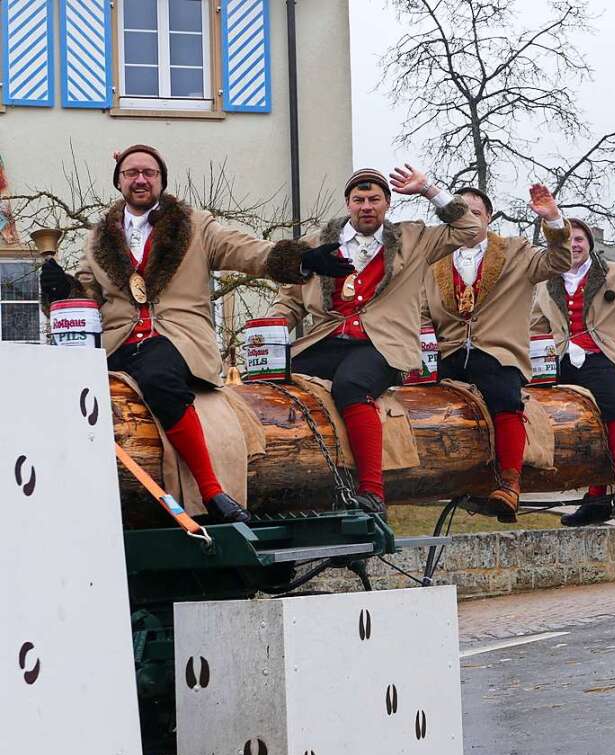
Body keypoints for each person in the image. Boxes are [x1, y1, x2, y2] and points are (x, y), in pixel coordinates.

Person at [39, 144, 321, 523]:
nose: (140, 179)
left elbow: (244, 250)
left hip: (177, 337)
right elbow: (89, 295)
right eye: (131, 173)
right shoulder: (98, 238)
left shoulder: (195, 225)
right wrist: (62, 292)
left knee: (158, 376)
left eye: (149, 173)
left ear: (161, 181)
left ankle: (212, 491)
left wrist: (299, 259)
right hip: (118, 341)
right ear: (119, 181)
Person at [270, 166, 482, 518]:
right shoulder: (315, 243)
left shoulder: (414, 239)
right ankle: (292, 487)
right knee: (277, 382)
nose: (366, 206)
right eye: (359, 200)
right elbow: (290, 300)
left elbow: (470, 228)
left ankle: (371, 491)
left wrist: (428, 189)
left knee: (351, 385)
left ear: (387, 204)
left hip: (383, 344)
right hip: (327, 339)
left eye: (374, 200)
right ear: (347, 204)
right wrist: (271, 328)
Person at [422, 184, 570, 522]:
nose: (469, 220)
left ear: (488, 218)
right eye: (461, 213)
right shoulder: (435, 260)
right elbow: (420, 310)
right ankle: (446, 478)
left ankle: (510, 483)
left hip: (498, 351)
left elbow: (559, 260)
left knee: (504, 395)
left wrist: (554, 221)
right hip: (450, 351)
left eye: (475, 213)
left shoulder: (515, 251)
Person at [532, 210, 615, 524]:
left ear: (590, 245)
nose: (574, 245)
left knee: (614, 404)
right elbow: (536, 327)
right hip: (563, 360)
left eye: (579, 239)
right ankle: (594, 498)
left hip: (603, 357)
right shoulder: (545, 282)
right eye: (567, 239)